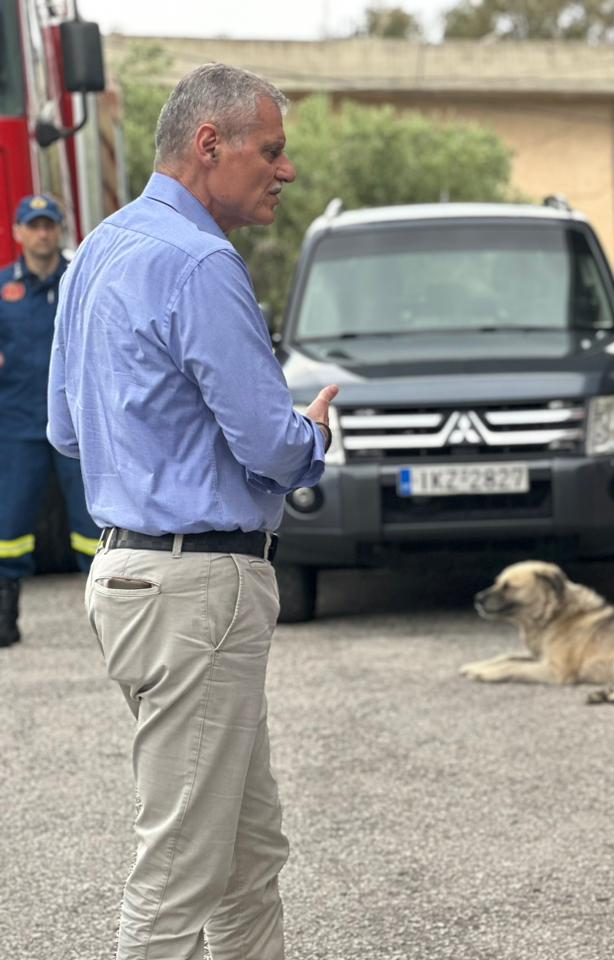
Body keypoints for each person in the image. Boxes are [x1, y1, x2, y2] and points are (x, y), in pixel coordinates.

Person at [47, 64, 339, 958]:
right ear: (210, 145)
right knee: (177, 878)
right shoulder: (202, 262)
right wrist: (310, 436)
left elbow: (65, 428)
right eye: (272, 149)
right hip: (197, 591)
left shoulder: (98, 248)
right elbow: (268, 444)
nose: (284, 170)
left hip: (135, 579)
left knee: (249, 857)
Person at [0, 194, 99, 647]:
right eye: (33, 226)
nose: (42, 233)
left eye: (49, 225)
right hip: (18, 427)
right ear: (18, 233)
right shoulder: (3, 291)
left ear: (60, 230)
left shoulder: (82, 281)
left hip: (77, 429)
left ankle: (111, 618)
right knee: (9, 528)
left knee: (92, 524)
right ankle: (4, 618)